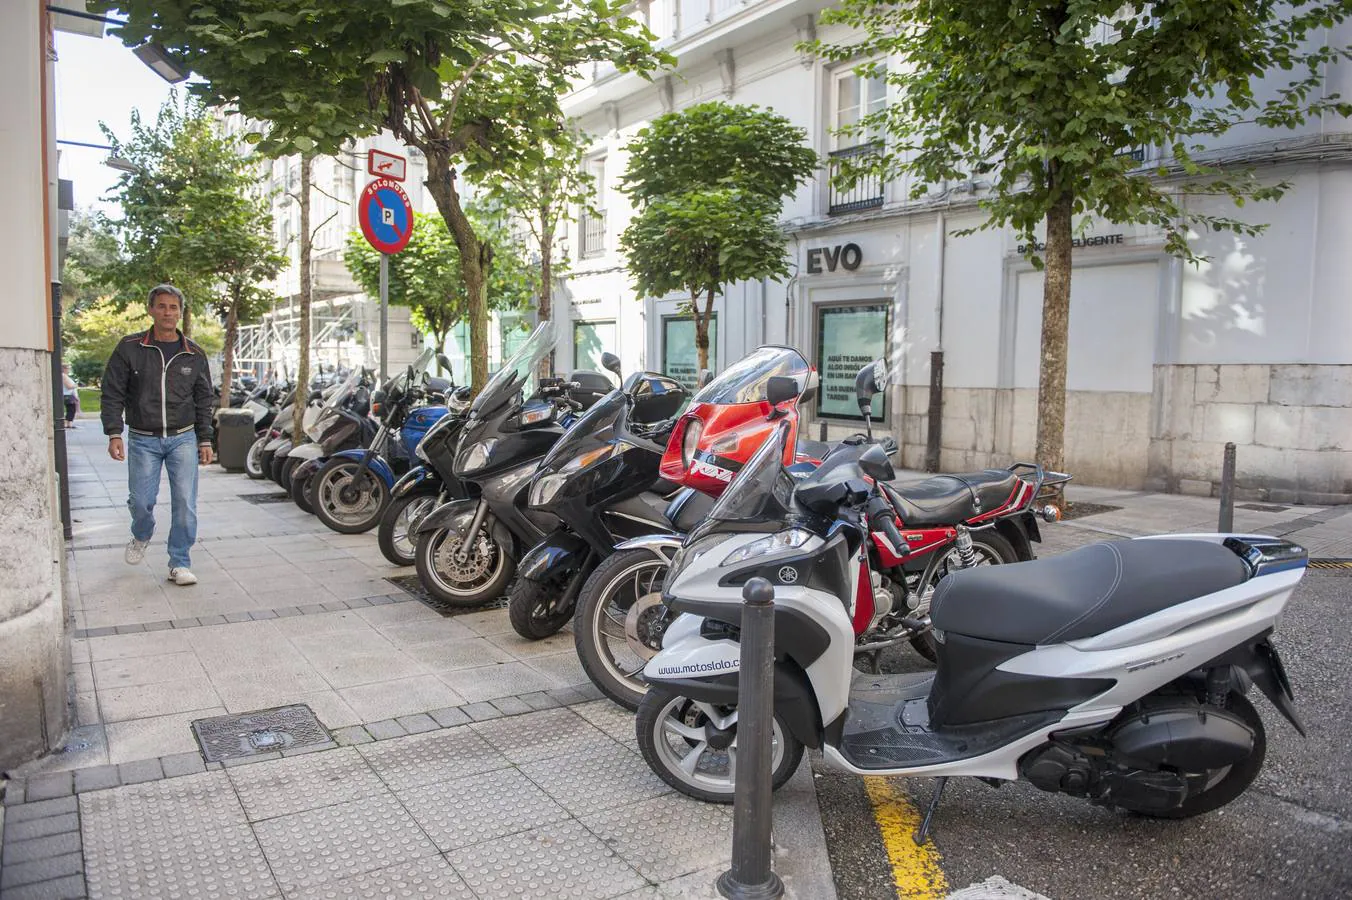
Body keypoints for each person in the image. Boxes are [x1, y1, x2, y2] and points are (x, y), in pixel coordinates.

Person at [100, 284, 215, 586]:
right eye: (162, 306)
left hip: (183, 438)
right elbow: (112, 392)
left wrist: (205, 439)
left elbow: (204, 399)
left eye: (173, 307)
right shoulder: (130, 347)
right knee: (141, 501)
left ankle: (179, 562)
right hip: (142, 438)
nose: (168, 312)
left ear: (180, 312)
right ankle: (141, 533)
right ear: (150, 309)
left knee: (185, 502)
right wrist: (114, 432)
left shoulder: (194, 353)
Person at [61, 364, 79, 428]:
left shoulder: (65, 376)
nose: (69, 370)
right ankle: (66, 423)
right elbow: (68, 386)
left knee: (71, 409)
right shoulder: (63, 376)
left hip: (68, 395)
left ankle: (69, 423)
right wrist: (75, 385)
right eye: (68, 368)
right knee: (71, 409)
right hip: (67, 395)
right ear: (64, 369)